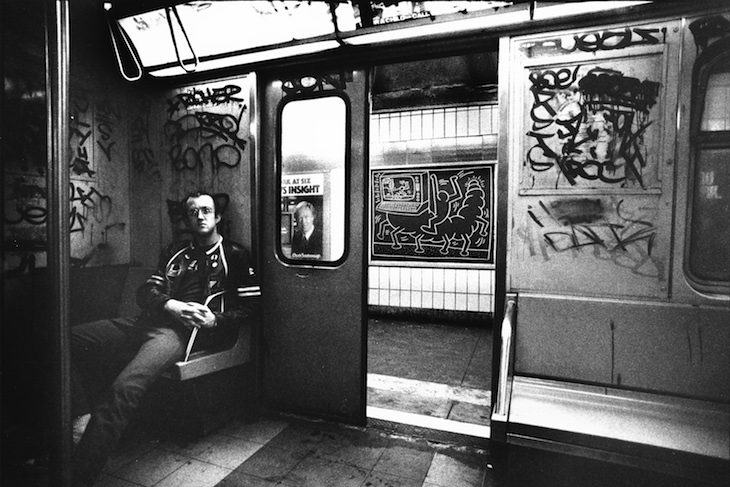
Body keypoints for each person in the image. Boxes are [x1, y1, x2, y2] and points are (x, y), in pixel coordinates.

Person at [70, 191, 260, 486]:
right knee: (70, 338)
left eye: (206, 210)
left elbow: (251, 307)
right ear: (187, 219)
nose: (200, 216)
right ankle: (81, 415)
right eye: (193, 212)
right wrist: (171, 304)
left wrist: (216, 319)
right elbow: (146, 292)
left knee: (124, 387)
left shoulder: (234, 254)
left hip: (177, 333)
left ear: (218, 217)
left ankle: (79, 476)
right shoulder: (175, 251)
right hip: (144, 322)